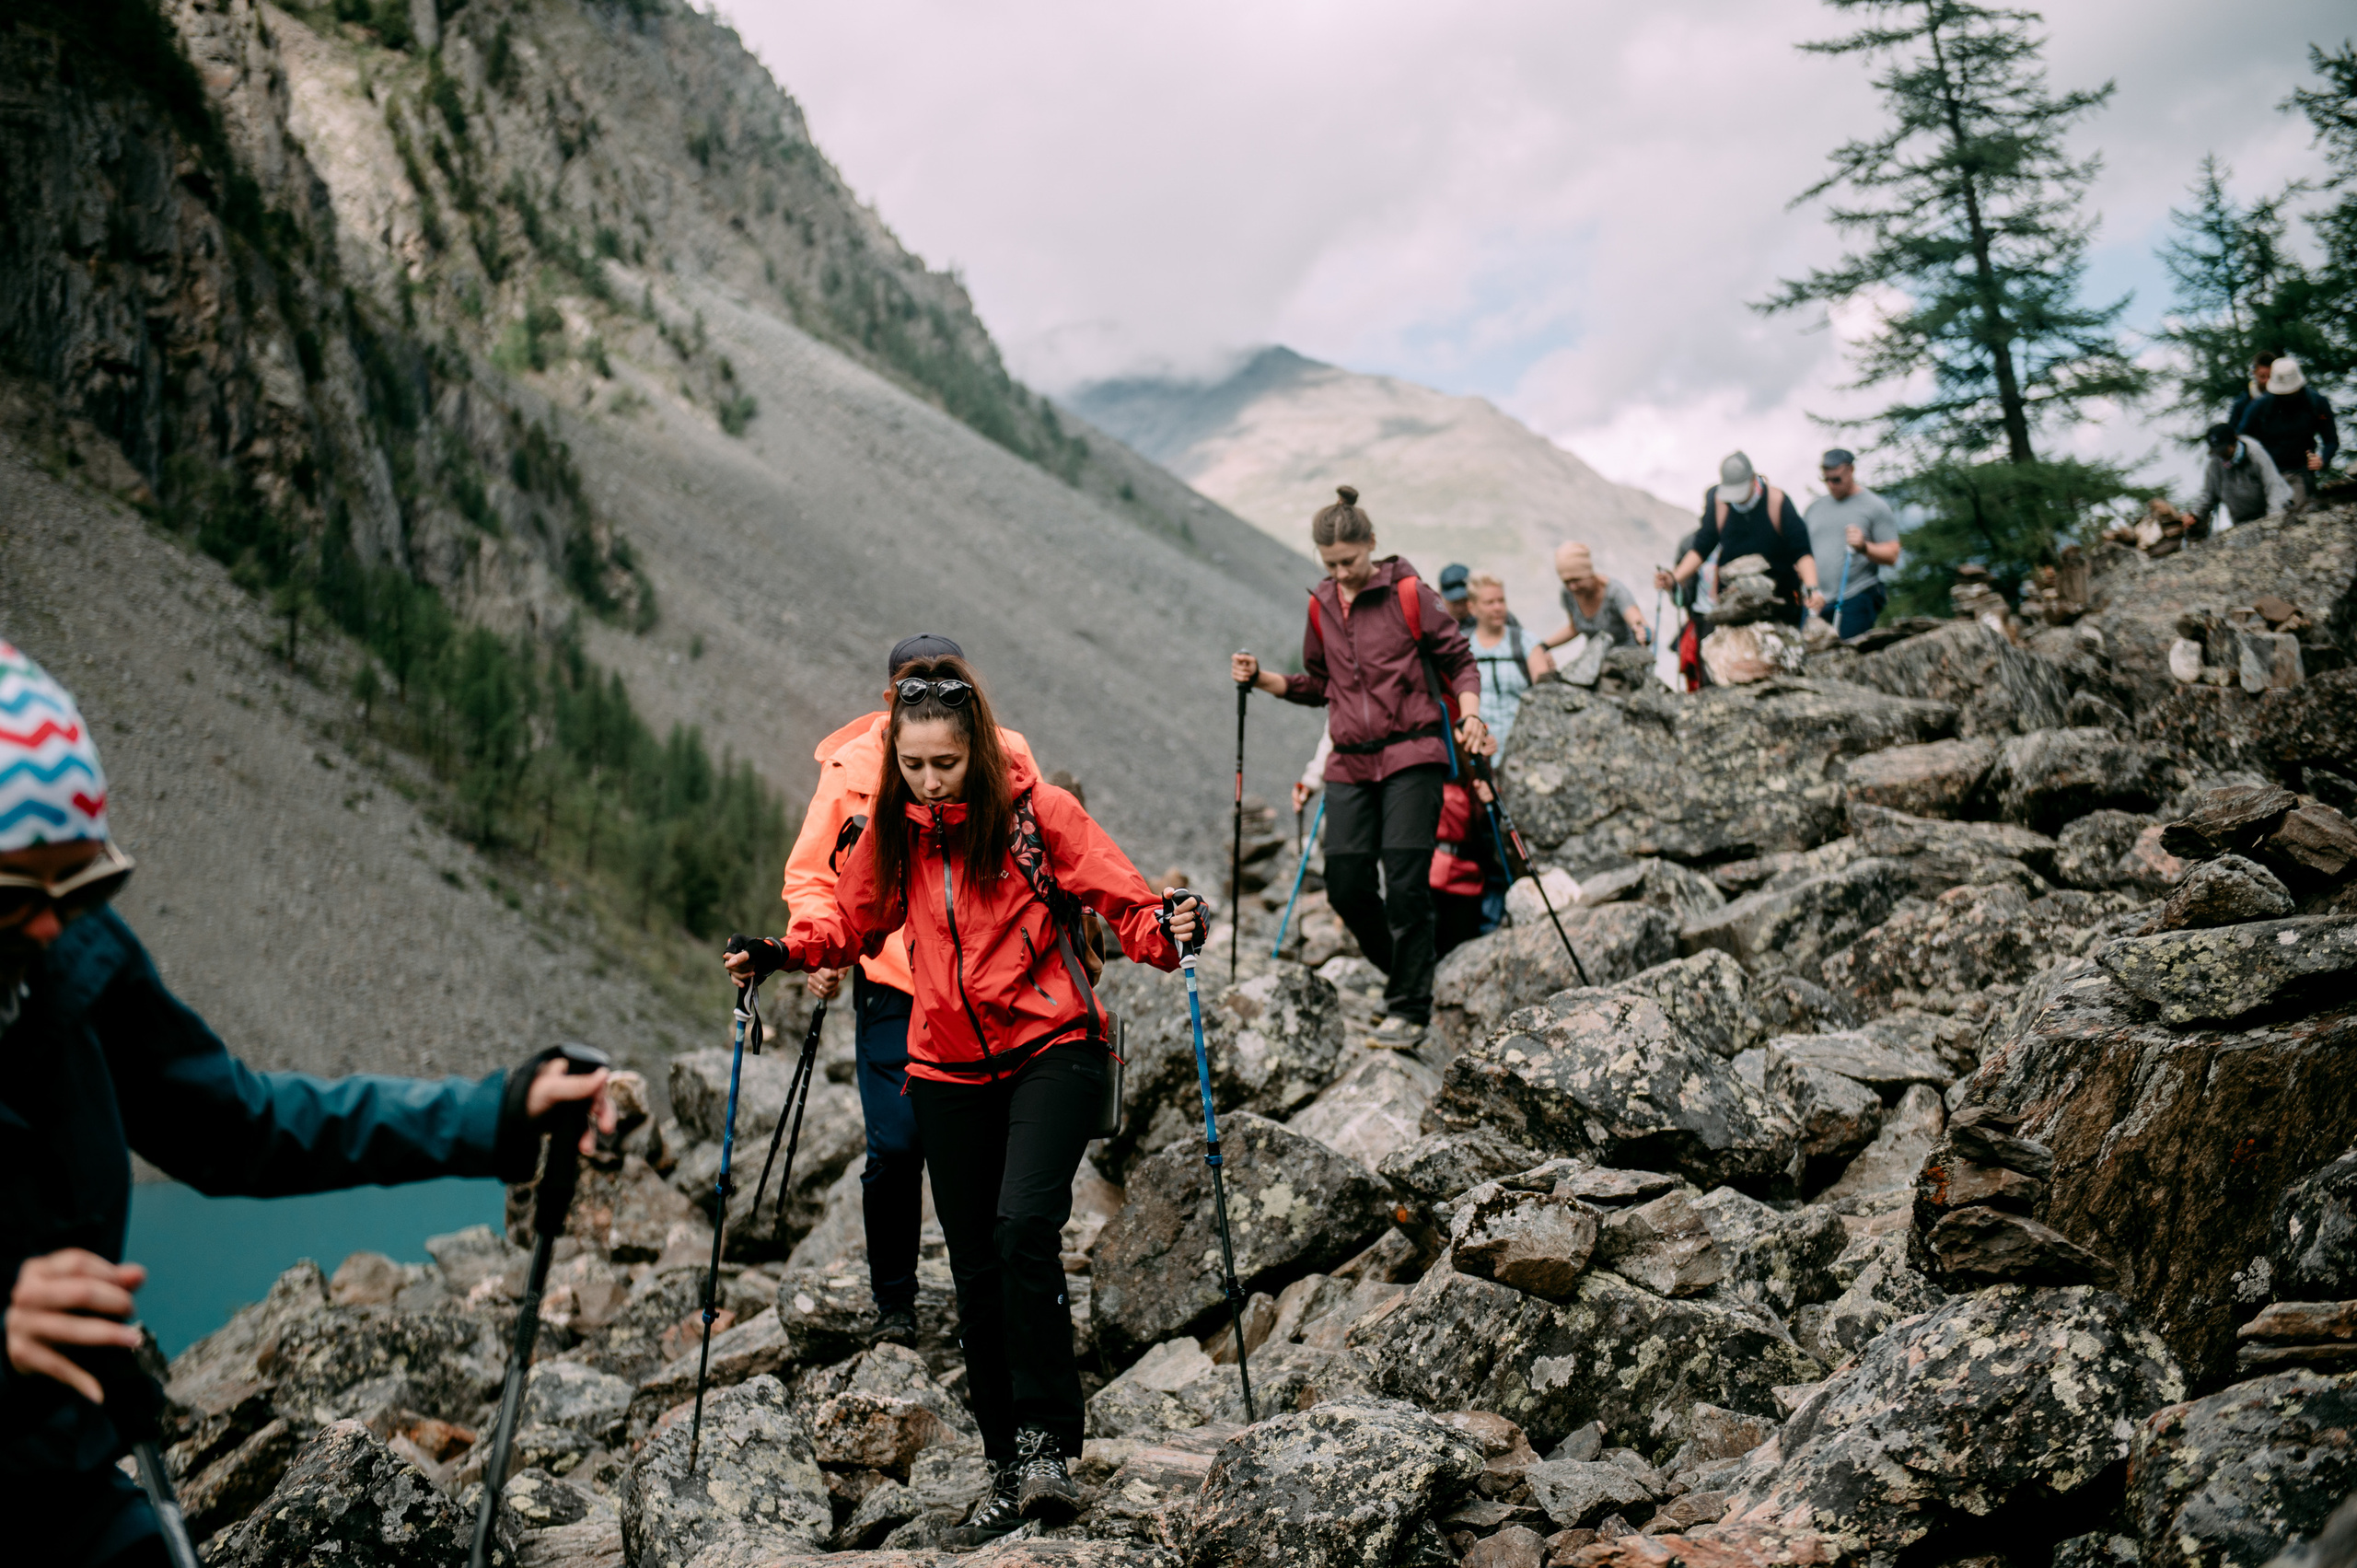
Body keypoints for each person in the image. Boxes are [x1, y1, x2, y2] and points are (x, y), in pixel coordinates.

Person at [0, 641, 616, 1568]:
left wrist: (495, 1111)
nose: (52, 920)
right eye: (19, 890)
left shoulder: (72, 962)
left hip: (61, 1472)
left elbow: (241, 1128)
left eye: (84, 880)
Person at [725, 656, 1202, 1544]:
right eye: (914, 766)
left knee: (1024, 1229)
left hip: (1054, 1048)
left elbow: (1129, 908)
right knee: (977, 1267)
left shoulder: (1037, 812)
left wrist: (1175, 929)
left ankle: (1051, 1443)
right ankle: (1004, 1463)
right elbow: (851, 924)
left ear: (977, 750)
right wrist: (783, 952)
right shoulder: (894, 832)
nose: (931, 782)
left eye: (945, 765)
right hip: (945, 1066)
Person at [777, 633, 1039, 1351]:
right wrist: (818, 942)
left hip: (986, 988)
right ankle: (896, 1302)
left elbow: (1037, 856)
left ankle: (983, 1297)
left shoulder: (1006, 753)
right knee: (896, 1148)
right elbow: (812, 875)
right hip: (893, 981)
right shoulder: (851, 767)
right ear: (890, 695)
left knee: (978, 1151)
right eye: (902, 694)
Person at [1232, 485, 1491, 1050]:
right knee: (1346, 886)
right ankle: (1408, 975)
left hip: (1413, 754)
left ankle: (1408, 1008)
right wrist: (1263, 680)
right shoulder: (1320, 604)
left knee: (1404, 883)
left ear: (1371, 544)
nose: (1342, 573)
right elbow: (1322, 685)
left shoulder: (1409, 593)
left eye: (1349, 561)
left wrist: (1470, 717)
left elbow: (1460, 660)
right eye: (1330, 565)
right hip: (1350, 763)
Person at [1655, 452, 1823, 624]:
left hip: (1779, 599)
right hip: (1734, 599)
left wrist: (1812, 589)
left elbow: (1801, 550)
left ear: (1753, 479)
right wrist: (1675, 579)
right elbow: (1702, 546)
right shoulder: (1718, 501)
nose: (1738, 500)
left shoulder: (1777, 502)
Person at [1803, 448, 1901, 639]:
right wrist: (1810, 590)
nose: (1831, 485)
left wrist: (1864, 547)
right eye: (1826, 480)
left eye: (1837, 479)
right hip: (1819, 600)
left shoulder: (1874, 506)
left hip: (1856, 596)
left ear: (1851, 471)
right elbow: (1802, 552)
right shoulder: (1814, 508)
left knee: (1847, 655)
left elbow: (1893, 554)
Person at [2235, 355, 2339, 507]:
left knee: (2297, 516)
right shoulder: (2260, 406)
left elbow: (2331, 440)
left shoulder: (2316, 403)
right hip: (2266, 473)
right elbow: (2242, 440)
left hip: (2300, 472)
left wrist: (2322, 460)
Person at [1464, 574, 1542, 752]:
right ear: (1472, 607)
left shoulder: (1526, 642)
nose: (1498, 607)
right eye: (1489, 603)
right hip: (1478, 751)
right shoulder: (1462, 647)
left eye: (1501, 601)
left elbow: (1546, 696)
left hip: (1524, 749)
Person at [1542, 542, 1648, 653]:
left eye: (1576, 580)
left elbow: (1638, 622)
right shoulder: (1567, 594)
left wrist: (1643, 632)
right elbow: (1574, 628)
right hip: (1597, 656)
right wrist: (1543, 646)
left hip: (1627, 655)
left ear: (1589, 573)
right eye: (1566, 582)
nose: (1572, 587)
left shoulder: (1615, 592)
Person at [2189, 422, 2293, 532]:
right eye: (2217, 452)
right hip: (2242, 520)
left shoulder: (2255, 453)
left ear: (2234, 442)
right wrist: (2195, 514)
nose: (2221, 455)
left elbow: (2272, 485)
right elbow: (2208, 494)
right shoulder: (2215, 464)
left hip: (2272, 512)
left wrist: (2274, 518)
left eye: (2224, 451)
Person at [1438, 563, 1477, 633]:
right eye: (1455, 603)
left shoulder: (1483, 622)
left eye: (1464, 601)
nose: (1460, 609)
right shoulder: (1433, 627)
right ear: (1440, 594)